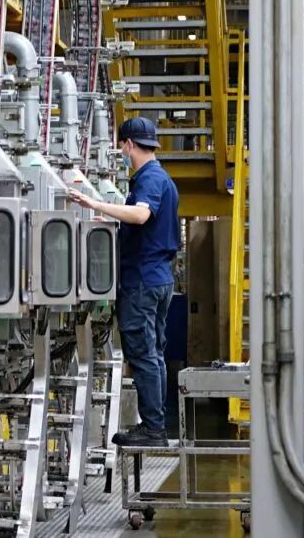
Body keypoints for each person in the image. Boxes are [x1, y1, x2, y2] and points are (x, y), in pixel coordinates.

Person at [68, 116, 180, 446]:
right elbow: (145, 225)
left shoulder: (149, 178)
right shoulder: (161, 178)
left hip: (143, 281)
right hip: (157, 278)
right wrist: (113, 221)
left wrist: (95, 203)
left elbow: (142, 215)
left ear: (129, 144)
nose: (122, 153)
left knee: (143, 353)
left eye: (122, 147)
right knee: (153, 353)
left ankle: (153, 429)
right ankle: (154, 424)